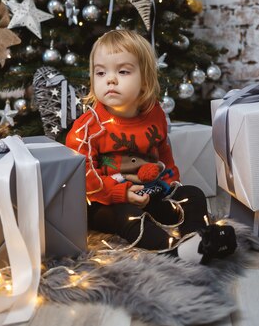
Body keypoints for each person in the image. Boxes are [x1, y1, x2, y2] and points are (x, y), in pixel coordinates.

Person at [65, 30, 210, 255]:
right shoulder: (88, 127)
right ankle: (172, 249)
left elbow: (163, 152)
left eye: (123, 71)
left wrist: (171, 184)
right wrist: (121, 194)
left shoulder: (155, 114)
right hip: (106, 201)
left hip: (150, 190)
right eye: (101, 72)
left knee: (193, 194)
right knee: (128, 216)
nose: (110, 79)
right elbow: (85, 176)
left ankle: (198, 238)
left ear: (145, 81)